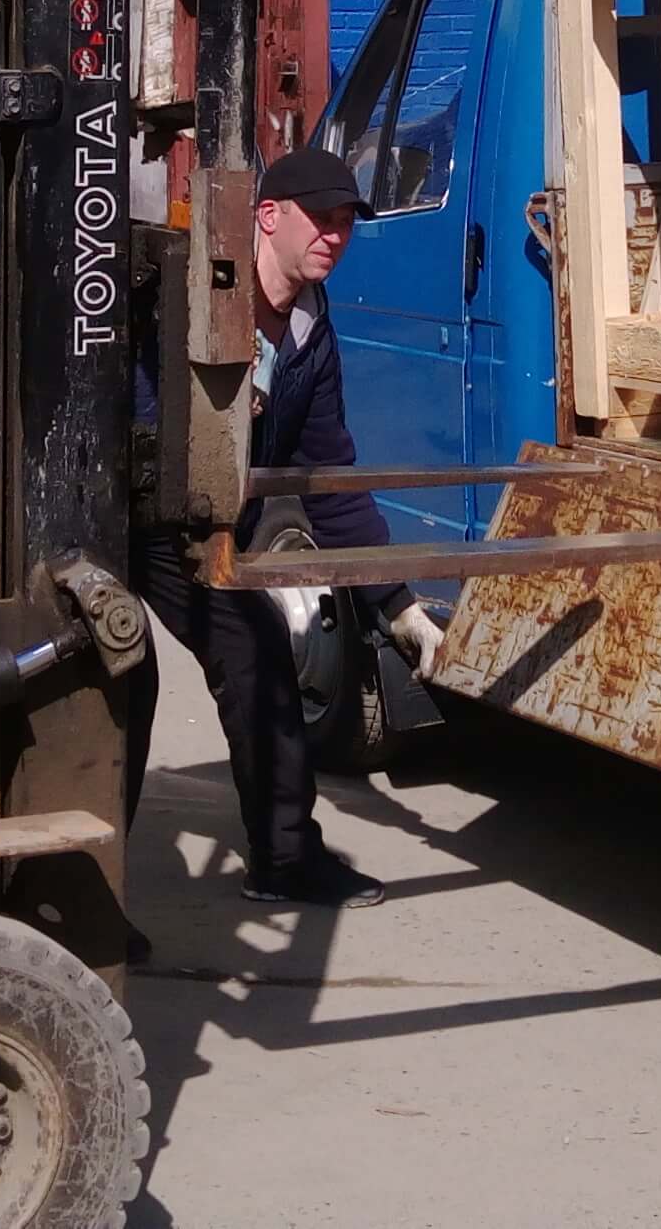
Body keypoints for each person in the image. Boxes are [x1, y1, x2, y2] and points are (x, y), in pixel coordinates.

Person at [129, 145, 448, 909]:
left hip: (198, 528)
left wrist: (397, 604)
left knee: (258, 650)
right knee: (119, 674)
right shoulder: (192, 291)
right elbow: (130, 410)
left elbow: (326, 477)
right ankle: (81, 886)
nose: (335, 235)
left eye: (345, 222)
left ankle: (283, 860)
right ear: (267, 216)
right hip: (120, 507)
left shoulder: (310, 329)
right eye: (321, 218)